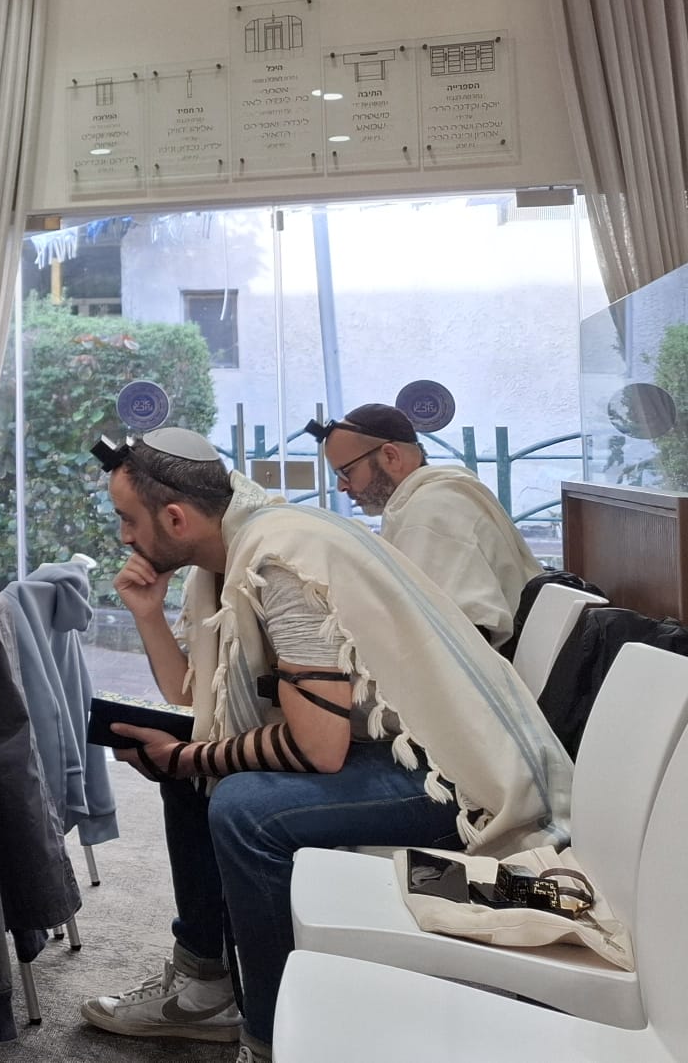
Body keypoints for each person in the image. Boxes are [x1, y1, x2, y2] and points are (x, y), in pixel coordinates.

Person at [77, 428, 571, 1063]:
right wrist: (148, 613)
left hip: (459, 778)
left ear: (175, 518)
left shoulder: (278, 560)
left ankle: (273, 1036)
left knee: (245, 808)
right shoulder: (238, 549)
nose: (124, 537)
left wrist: (184, 757)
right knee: (193, 774)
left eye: (128, 519)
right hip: (401, 749)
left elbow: (318, 748)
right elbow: (195, 701)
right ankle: (205, 985)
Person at [312, 403, 543, 646]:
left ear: (391, 456)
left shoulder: (433, 509)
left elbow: (462, 635)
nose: (342, 487)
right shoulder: (425, 501)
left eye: (346, 472)